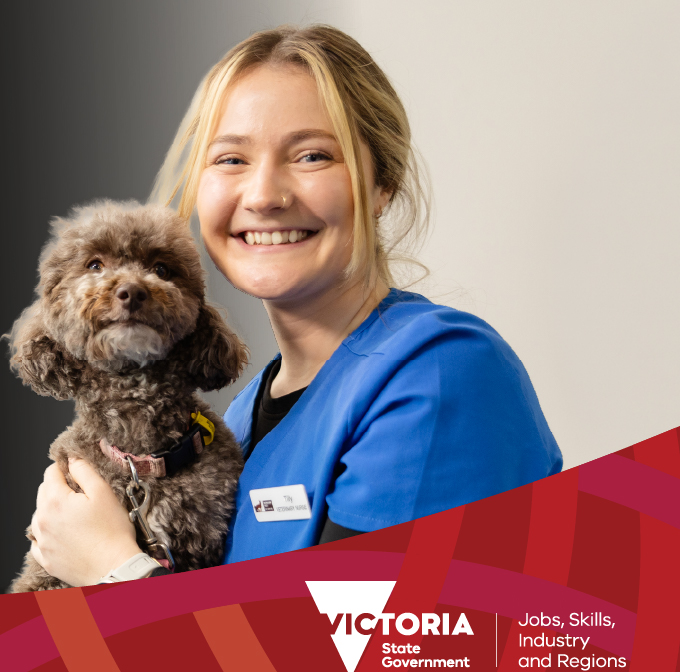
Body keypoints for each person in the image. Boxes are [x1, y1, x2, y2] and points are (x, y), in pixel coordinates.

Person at [27, 24, 562, 587]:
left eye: (311, 156)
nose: (263, 195)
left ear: (383, 184)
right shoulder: (234, 425)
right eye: (231, 160)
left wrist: (113, 567)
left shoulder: (440, 376)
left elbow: (346, 667)